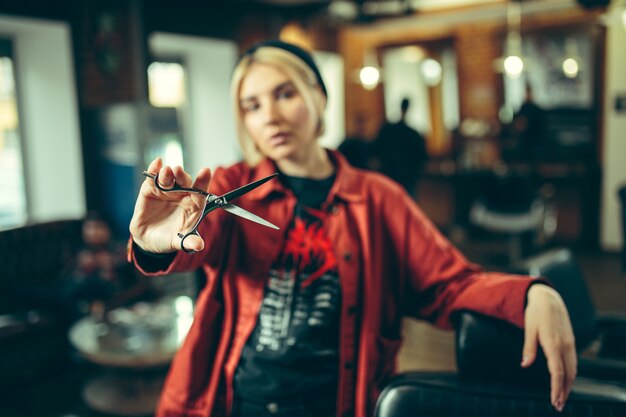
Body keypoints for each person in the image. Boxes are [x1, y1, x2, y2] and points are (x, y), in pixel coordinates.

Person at [128, 40, 576, 417]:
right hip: (237, 400)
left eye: (285, 94)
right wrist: (154, 246)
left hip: (338, 403)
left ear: (319, 98)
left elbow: (449, 282)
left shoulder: (379, 198)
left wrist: (530, 293)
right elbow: (193, 246)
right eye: (252, 105)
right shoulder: (228, 185)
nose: (270, 115)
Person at [373, 97, 428, 197]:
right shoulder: (413, 134)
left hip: (391, 178)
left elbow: (375, 152)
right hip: (404, 180)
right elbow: (422, 158)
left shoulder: (388, 130)